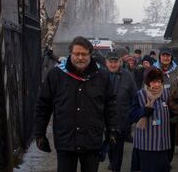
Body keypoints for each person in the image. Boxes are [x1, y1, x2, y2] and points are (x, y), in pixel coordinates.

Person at [33, 36, 118, 172]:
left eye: (84, 54)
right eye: (76, 54)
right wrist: (39, 133)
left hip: (91, 140)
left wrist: (112, 130)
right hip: (66, 140)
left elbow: (110, 105)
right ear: (70, 53)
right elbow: (43, 105)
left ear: (90, 55)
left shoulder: (102, 75)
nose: (80, 58)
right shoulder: (56, 75)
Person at [128, 67, 172, 172]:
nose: (156, 85)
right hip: (146, 144)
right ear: (147, 82)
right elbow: (131, 116)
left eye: (159, 82)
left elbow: (173, 110)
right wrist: (145, 110)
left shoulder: (166, 94)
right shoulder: (140, 95)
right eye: (153, 82)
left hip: (162, 143)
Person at [104, 51, 136, 172]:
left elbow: (134, 96)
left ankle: (116, 167)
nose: (113, 64)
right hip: (104, 119)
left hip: (121, 118)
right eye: (110, 62)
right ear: (106, 62)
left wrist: (130, 116)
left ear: (120, 62)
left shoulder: (127, 75)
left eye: (115, 62)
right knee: (110, 146)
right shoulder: (101, 75)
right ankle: (112, 163)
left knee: (118, 147)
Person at [153, 47, 178, 164]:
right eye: (163, 55)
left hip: (173, 112)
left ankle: (168, 161)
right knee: (158, 138)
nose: (166, 58)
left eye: (168, 56)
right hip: (157, 111)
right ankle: (158, 161)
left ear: (171, 57)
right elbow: (145, 88)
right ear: (160, 56)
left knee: (170, 138)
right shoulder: (153, 70)